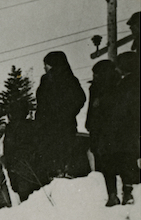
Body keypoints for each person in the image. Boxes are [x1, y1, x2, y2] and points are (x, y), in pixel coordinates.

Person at [35, 51, 86, 179]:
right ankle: (66, 171)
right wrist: (69, 112)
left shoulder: (46, 80)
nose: (45, 67)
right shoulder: (71, 79)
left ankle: (57, 173)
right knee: (66, 149)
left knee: (53, 152)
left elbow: (41, 103)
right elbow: (80, 98)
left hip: (48, 124)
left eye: (46, 64)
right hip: (66, 122)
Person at [85, 60, 123, 206]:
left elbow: (92, 109)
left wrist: (89, 123)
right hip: (111, 132)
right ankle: (116, 193)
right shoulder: (117, 86)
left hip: (103, 132)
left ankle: (111, 194)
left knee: (105, 163)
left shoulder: (101, 88)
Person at [107, 52, 140, 205]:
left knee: (125, 159)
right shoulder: (132, 82)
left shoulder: (126, 84)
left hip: (125, 128)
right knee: (129, 159)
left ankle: (128, 193)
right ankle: (128, 191)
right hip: (132, 128)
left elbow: (121, 108)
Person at [3, 100, 41, 202]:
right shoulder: (33, 125)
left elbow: (8, 149)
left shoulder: (11, 128)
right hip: (35, 165)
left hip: (19, 166)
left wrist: (8, 163)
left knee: (25, 196)